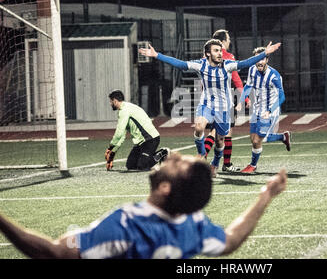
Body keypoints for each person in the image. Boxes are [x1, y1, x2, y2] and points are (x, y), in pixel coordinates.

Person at [0, 152, 287, 258]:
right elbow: (231, 241)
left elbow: (52, 252)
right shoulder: (194, 224)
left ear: (164, 187)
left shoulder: (127, 224)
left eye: (175, 163)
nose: (172, 155)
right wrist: (265, 195)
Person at [139, 39, 281, 176]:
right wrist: (157, 55)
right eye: (216, 51)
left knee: (220, 141)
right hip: (206, 104)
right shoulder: (201, 65)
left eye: (220, 50)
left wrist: (264, 53)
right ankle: (201, 154)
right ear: (208, 53)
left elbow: (245, 63)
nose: (220, 53)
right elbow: (180, 64)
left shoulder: (227, 65)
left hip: (224, 109)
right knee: (199, 126)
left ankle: (215, 163)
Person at [235, 47, 291, 173]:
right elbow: (248, 86)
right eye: (257, 59)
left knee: (257, 140)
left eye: (263, 59)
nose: (260, 62)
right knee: (254, 139)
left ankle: (252, 166)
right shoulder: (252, 70)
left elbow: (282, 97)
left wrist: (270, 110)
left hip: (270, 111)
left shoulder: (274, 76)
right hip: (257, 109)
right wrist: (241, 102)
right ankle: (283, 137)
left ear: (267, 59)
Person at [203, 29, 251, 173]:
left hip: (208, 100)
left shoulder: (207, 56)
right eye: (228, 39)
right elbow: (236, 79)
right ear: (223, 41)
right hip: (224, 100)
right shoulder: (228, 57)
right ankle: (225, 164)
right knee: (225, 133)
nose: (229, 41)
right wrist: (245, 98)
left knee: (212, 132)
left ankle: (204, 159)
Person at [105, 90, 168, 171]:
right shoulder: (125, 108)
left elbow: (119, 133)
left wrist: (110, 147)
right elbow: (122, 135)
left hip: (150, 139)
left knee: (142, 166)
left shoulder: (124, 111)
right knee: (130, 165)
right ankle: (149, 158)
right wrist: (113, 150)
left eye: (111, 102)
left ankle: (163, 152)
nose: (110, 104)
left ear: (115, 101)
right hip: (141, 142)